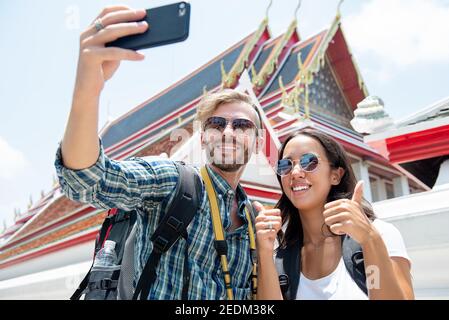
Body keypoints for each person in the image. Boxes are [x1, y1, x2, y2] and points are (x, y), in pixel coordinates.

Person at [54, 5, 264, 300]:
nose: (228, 132)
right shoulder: (176, 183)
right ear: (203, 138)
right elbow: (87, 181)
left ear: (257, 142)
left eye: (242, 125)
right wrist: (88, 89)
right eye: (217, 124)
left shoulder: (255, 221)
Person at [254, 129, 414, 300]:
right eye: (285, 166)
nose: (295, 172)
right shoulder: (280, 258)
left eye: (309, 161)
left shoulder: (381, 234)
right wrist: (264, 251)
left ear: (335, 176)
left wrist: (369, 239)